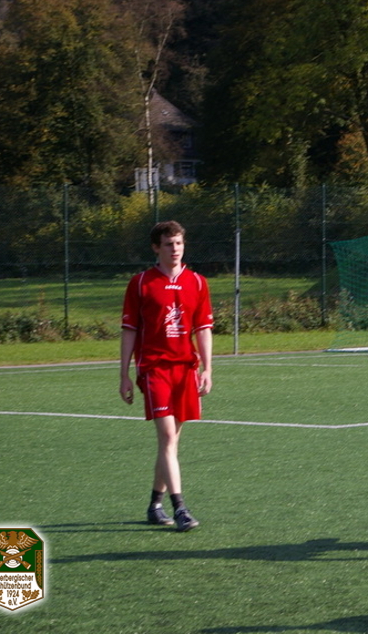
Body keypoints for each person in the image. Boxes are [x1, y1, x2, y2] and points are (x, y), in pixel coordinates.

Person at [120, 220, 214, 532]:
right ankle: (181, 508)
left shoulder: (197, 282)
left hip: (185, 370)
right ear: (156, 248)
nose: (175, 249)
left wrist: (207, 369)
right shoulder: (140, 283)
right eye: (169, 244)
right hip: (154, 369)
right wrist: (124, 374)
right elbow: (129, 330)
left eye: (179, 243)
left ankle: (154, 505)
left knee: (170, 442)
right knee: (168, 437)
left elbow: (203, 328)